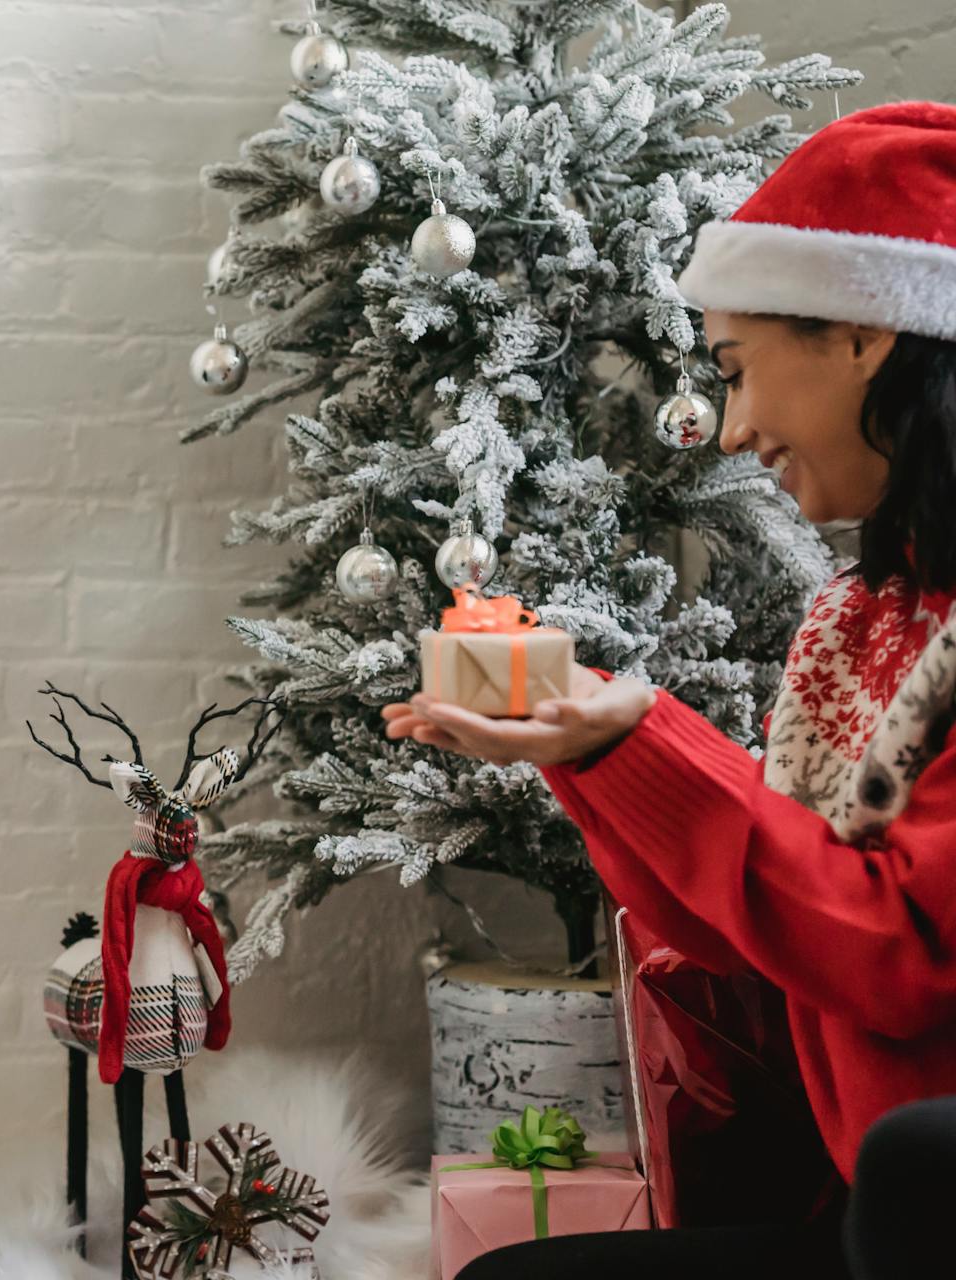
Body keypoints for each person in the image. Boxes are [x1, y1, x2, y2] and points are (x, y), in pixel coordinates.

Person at [382, 101, 956, 1278]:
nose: (734, 427)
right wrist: (595, 754)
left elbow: (896, 950)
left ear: (866, 335)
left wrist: (644, 735)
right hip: (869, 1196)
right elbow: (759, 933)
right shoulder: (871, 617)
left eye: (740, 370)